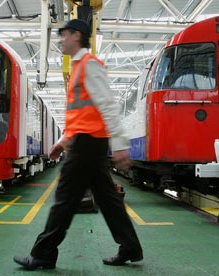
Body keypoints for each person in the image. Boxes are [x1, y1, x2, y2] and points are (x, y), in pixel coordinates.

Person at [13, 19, 143, 270]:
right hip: (87, 142)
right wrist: (62, 141)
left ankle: (43, 254)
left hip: (88, 144)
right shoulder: (78, 68)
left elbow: (108, 105)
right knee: (107, 199)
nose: (61, 40)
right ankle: (130, 247)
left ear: (77, 36)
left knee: (65, 198)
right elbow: (80, 114)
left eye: (64, 35)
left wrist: (119, 144)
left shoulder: (89, 66)